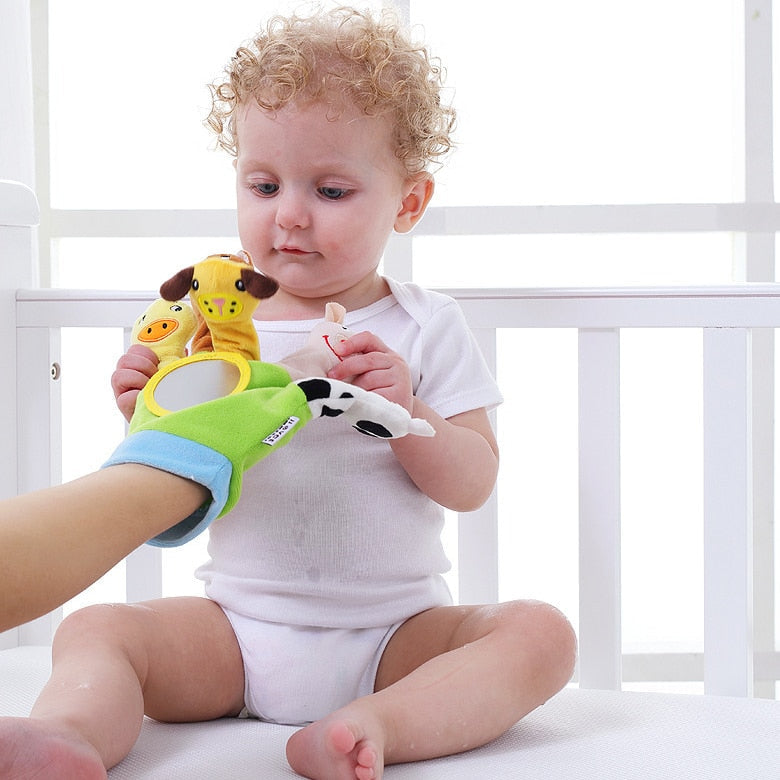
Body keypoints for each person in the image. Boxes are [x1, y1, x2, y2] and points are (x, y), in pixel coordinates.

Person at [0, 6, 576, 779]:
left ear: (407, 203)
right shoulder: (211, 327)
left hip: (393, 636)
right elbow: (169, 483)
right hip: (234, 632)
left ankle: (376, 726)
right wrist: (144, 411)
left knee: (540, 633)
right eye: (263, 184)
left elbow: (474, 482)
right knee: (99, 624)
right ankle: (68, 734)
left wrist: (410, 413)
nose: (290, 216)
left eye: (332, 191)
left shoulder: (423, 324)